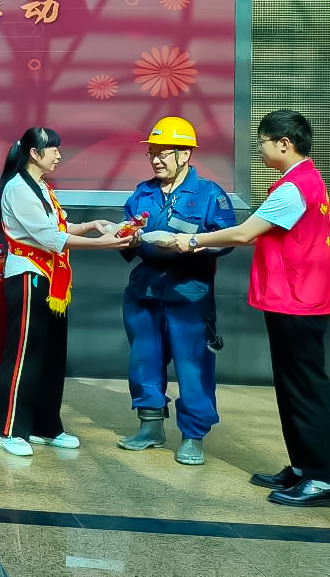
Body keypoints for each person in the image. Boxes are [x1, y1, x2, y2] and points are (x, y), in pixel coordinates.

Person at [167, 110, 330, 507]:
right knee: (292, 386)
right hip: (297, 298)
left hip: (298, 300)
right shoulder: (305, 182)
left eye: (262, 143)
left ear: (284, 144)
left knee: (305, 388)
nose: (259, 151)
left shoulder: (294, 188)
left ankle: (322, 476)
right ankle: (303, 466)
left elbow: (244, 233)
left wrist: (193, 241)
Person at [0, 127, 132, 457]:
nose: (58, 155)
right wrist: (102, 244)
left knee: (52, 356)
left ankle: (45, 426)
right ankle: (9, 430)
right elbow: (49, 238)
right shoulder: (18, 188)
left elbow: (60, 228)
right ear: (34, 153)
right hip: (28, 276)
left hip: (53, 280)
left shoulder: (41, 186)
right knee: (24, 355)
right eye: (52, 149)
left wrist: (91, 225)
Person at [116, 117, 236, 466]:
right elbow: (127, 234)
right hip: (144, 293)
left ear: (185, 154)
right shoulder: (143, 192)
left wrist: (193, 244)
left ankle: (193, 436)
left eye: (163, 153)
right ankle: (150, 427)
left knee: (193, 366)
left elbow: (228, 238)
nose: (156, 160)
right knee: (144, 360)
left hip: (189, 295)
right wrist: (126, 236)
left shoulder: (209, 194)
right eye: (152, 153)